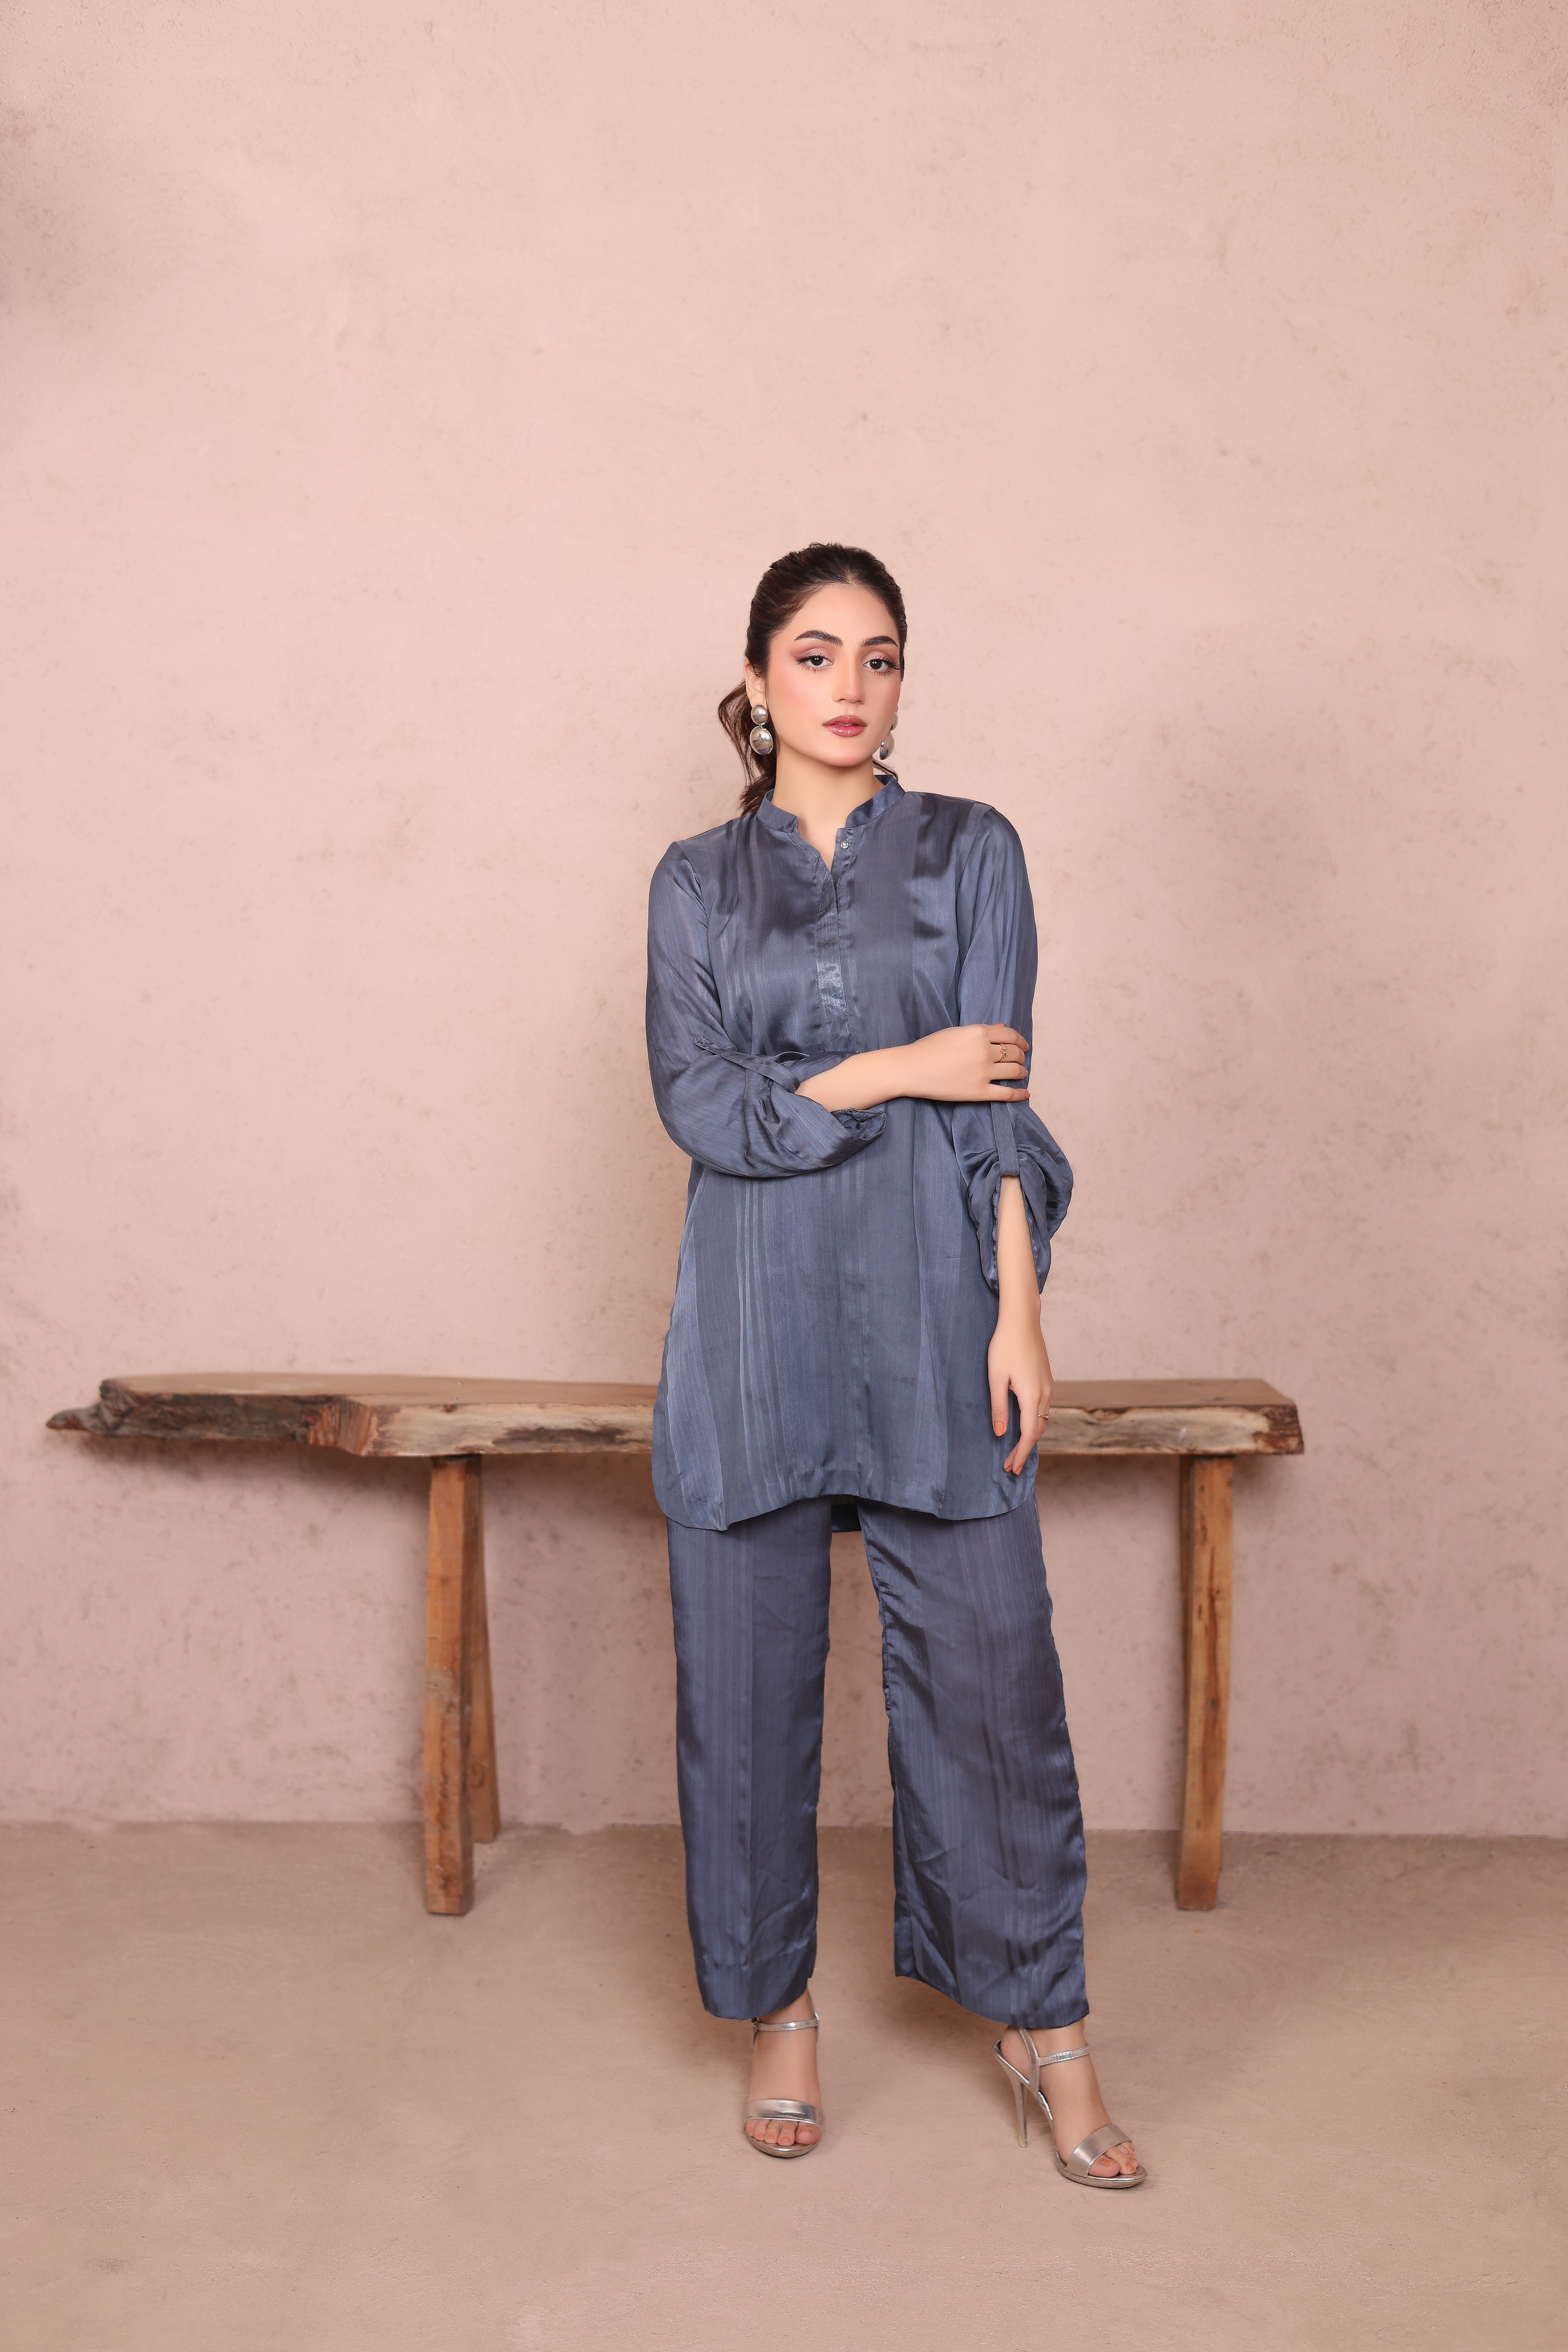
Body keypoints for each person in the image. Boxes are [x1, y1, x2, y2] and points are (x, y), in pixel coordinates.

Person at [644, 543, 1143, 2186]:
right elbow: (702, 1103)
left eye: (880, 656)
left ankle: (1046, 2028)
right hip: (754, 1323)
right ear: (758, 680)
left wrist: (1021, 1312)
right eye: (814, 655)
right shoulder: (694, 882)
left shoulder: (973, 850)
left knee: (997, 1683)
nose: (850, 687)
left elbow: (998, 1104)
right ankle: (777, 2009)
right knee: (743, 1686)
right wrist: (892, 1064)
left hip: (937, 1302)